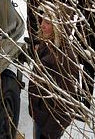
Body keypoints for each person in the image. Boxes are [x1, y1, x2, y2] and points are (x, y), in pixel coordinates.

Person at [28, 10, 79, 139]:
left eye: (48, 23)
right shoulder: (46, 44)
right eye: (42, 21)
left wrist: (51, 131)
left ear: (58, 28)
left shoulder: (64, 57)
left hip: (50, 124)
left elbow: (68, 99)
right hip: (41, 115)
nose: (42, 26)